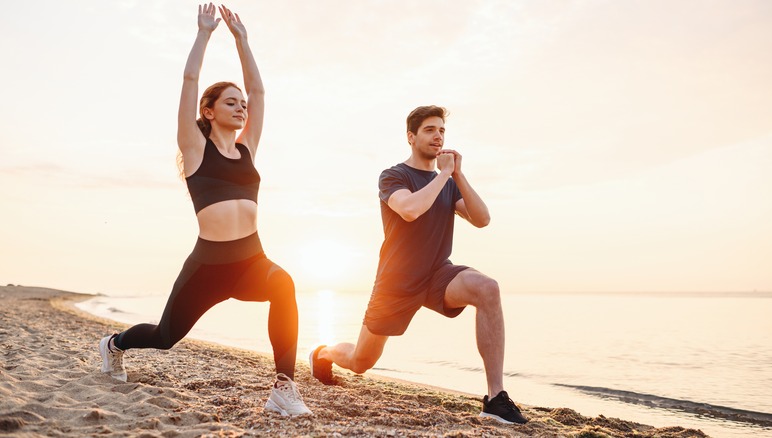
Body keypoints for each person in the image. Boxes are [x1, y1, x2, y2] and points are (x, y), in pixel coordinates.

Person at [98, 3, 311, 417]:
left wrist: (243, 40)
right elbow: (190, 78)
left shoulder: (247, 148)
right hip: (207, 267)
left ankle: (283, 389)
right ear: (209, 112)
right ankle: (114, 343)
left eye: (242, 104)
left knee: (283, 285)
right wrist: (205, 33)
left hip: (251, 261)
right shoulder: (195, 151)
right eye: (231, 103)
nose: (242, 107)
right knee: (164, 336)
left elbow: (260, 92)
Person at [309, 105, 528, 424]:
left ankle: (495, 398)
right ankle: (323, 352)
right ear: (411, 137)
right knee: (361, 361)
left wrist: (458, 175)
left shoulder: (450, 182)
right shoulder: (394, 176)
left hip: (438, 274)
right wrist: (443, 175)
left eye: (442, 131)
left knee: (487, 288)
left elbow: (482, 219)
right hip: (395, 283)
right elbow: (410, 209)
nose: (438, 136)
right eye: (430, 130)